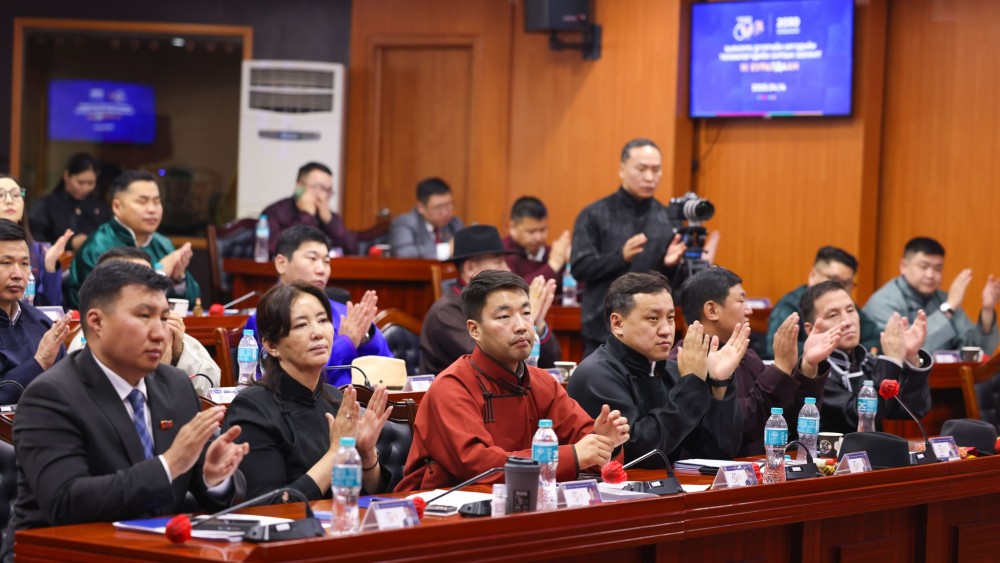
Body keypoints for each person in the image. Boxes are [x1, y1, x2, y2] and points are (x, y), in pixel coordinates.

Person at [1, 261, 247, 558]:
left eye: (164, 318)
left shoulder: (176, 386)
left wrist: (214, 478)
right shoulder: (50, 396)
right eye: (144, 316)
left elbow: (217, 493)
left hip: (154, 552)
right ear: (96, 322)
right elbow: (66, 504)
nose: (160, 333)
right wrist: (168, 465)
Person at [396, 270, 630, 491]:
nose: (521, 326)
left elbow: (586, 443)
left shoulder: (542, 382)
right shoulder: (452, 387)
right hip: (441, 509)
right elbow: (478, 466)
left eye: (526, 313)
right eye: (504, 316)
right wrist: (572, 456)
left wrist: (605, 444)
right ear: (474, 330)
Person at [224, 283, 398, 499]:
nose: (318, 333)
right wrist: (336, 452)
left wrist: (366, 454)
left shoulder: (337, 399)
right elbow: (269, 505)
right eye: (301, 325)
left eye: (323, 320)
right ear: (271, 345)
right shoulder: (251, 409)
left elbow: (370, 497)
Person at [568, 272, 746, 464]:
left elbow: (718, 453)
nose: (666, 330)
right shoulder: (595, 375)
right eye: (653, 318)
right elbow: (641, 454)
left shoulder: (672, 370)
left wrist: (719, 384)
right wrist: (691, 384)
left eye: (670, 318)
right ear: (618, 324)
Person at [571, 138, 718, 357]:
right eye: (641, 169)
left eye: (656, 170)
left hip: (653, 335)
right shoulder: (594, 214)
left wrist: (669, 266)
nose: (650, 177)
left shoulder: (668, 219)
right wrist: (620, 257)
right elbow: (579, 267)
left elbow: (671, 287)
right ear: (622, 169)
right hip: (602, 331)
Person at [677, 267, 840, 455]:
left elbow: (786, 420)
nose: (749, 309)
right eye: (741, 301)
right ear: (712, 310)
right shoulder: (686, 362)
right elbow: (736, 426)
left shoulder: (749, 356)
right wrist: (780, 369)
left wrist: (808, 366)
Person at [245, 226, 392, 387]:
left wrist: (366, 338)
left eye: (326, 261)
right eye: (312, 259)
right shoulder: (266, 316)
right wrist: (347, 342)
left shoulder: (345, 312)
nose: (322, 270)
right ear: (281, 263)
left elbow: (389, 370)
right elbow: (283, 381)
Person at [67, 247, 220, 395]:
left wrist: (179, 354)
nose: (158, 334)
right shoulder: (85, 342)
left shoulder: (168, 329)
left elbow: (212, 388)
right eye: (144, 316)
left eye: (149, 275)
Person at [420, 225, 561, 374]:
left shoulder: (508, 305)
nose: (508, 269)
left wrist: (537, 324)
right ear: (470, 268)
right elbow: (491, 359)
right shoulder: (445, 311)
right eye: (499, 262)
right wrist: (526, 319)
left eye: (525, 313)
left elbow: (552, 362)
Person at [801, 280, 932, 434]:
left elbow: (913, 409)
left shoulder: (868, 361)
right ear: (810, 330)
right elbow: (858, 418)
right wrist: (892, 360)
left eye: (851, 310)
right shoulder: (814, 374)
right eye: (833, 315)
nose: (848, 321)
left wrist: (911, 357)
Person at [66, 170, 200, 309]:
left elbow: (194, 302)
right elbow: (101, 303)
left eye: (157, 202)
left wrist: (178, 279)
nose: (152, 209)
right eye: (142, 202)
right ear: (117, 207)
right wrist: (159, 273)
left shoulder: (163, 243)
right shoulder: (97, 246)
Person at [864, 237, 1000, 353]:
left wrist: (987, 310)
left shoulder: (944, 299)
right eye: (923, 266)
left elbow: (975, 352)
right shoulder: (883, 302)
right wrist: (948, 308)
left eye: (937, 269)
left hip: (947, 374)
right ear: (903, 266)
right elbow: (909, 349)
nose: (930, 275)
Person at [0, 219, 70, 405]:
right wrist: (39, 362)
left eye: (25, 264)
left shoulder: (42, 323)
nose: (18, 274)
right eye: (6, 262)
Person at [765, 246, 880, 358]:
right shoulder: (789, 306)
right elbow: (777, 349)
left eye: (847, 283)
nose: (839, 288)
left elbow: (877, 339)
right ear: (812, 275)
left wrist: (850, 351)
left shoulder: (846, 306)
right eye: (834, 280)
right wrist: (832, 350)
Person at [0, 175, 72, 307]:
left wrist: (50, 266)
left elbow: (52, 307)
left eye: (16, 195)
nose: (9, 200)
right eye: (0, 195)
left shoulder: (40, 251)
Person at [262, 162, 358, 257]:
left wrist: (330, 222)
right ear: (299, 186)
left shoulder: (327, 216)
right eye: (318, 188)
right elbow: (270, 248)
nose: (322, 196)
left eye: (328, 190)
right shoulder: (275, 211)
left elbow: (352, 250)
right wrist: (306, 215)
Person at [29, 152, 111, 251]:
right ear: (67, 176)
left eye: (90, 183)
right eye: (81, 182)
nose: (85, 188)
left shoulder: (101, 207)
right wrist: (69, 244)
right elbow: (35, 243)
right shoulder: (46, 205)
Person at [503, 196, 571, 287]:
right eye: (531, 232)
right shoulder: (502, 254)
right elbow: (513, 291)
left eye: (543, 230)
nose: (538, 238)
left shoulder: (552, 253)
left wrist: (570, 262)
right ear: (513, 227)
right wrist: (552, 266)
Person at [389, 177, 463, 259]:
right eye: (438, 207)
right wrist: (446, 250)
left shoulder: (454, 223)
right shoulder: (405, 223)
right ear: (421, 207)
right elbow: (403, 254)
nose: (445, 213)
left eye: (448, 205)